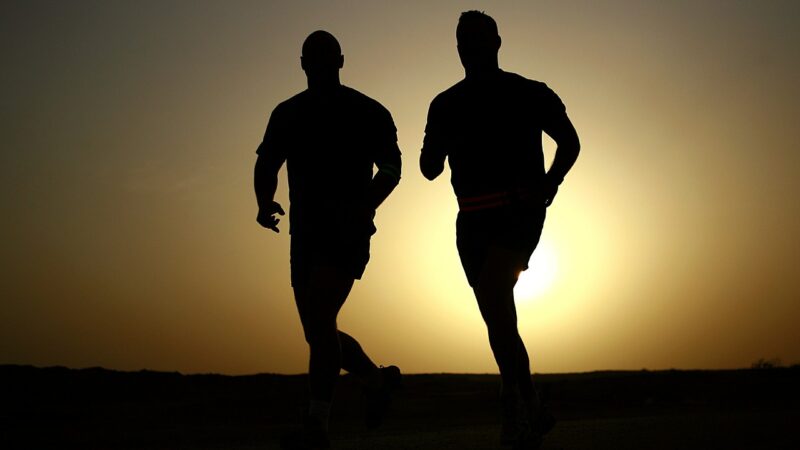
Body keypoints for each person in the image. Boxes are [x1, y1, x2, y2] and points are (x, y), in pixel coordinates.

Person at [420, 11, 580, 449]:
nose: (469, 46)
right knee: (499, 318)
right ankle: (526, 402)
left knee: (494, 295)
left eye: (476, 38)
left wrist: (548, 185)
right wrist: (444, 141)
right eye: (463, 40)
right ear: (457, 49)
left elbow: (570, 142)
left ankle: (516, 406)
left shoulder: (530, 92)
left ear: (496, 42)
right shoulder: (445, 103)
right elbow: (429, 168)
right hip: (470, 218)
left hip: (517, 213)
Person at [254, 30, 403, 450]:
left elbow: (391, 169)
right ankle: (376, 380)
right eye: (312, 59)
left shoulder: (368, 112)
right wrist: (264, 202)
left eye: (326, 58)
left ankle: (317, 426)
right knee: (319, 329)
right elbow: (267, 163)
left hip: (348, 234)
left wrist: (363, 206)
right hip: (304, 236)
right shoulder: (287, 114)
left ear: (341, 61)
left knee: (319, 323)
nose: (319, 66)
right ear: (302, 64)